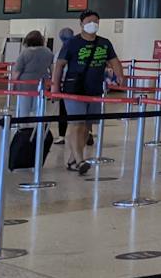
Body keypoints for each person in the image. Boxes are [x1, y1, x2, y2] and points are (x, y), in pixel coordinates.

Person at [50, 10, 124, 176]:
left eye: (96, 21)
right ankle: (80, 161)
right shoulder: (72, 43)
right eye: (90, 21)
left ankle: (72, 159)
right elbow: (60, 65)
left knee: (86, 126)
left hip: (95, 90)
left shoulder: (104, 43)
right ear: (81, 24)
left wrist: (120, 76)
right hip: (73, 89)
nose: (93, 24)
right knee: (76, 124)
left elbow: (114, 61)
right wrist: (55, 87)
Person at [11, 30, 54, 128]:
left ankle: (24, 127)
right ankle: (38, 127)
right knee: (39, 107)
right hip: (42, 82)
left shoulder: (24, 53)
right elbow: (52, 68)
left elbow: (17, 71)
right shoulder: (48, 52)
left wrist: (13, 83)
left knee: (24, 108)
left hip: (25, 84)